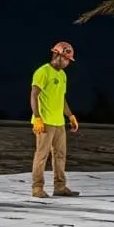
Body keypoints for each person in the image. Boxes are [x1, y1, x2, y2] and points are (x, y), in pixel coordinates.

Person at [30, 41, 80, 198]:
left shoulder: (63, 75)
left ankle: (60, 187)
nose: (67, 63)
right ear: (57, 55)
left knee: (60, 155)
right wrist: (37, 118)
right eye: (66, 59)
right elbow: (34, 95)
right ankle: (37, 188)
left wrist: (70, 116)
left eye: (69, 60)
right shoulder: (43, 72)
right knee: (41, 155)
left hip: (59, 123)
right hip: (45, 122)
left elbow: (61, 98)